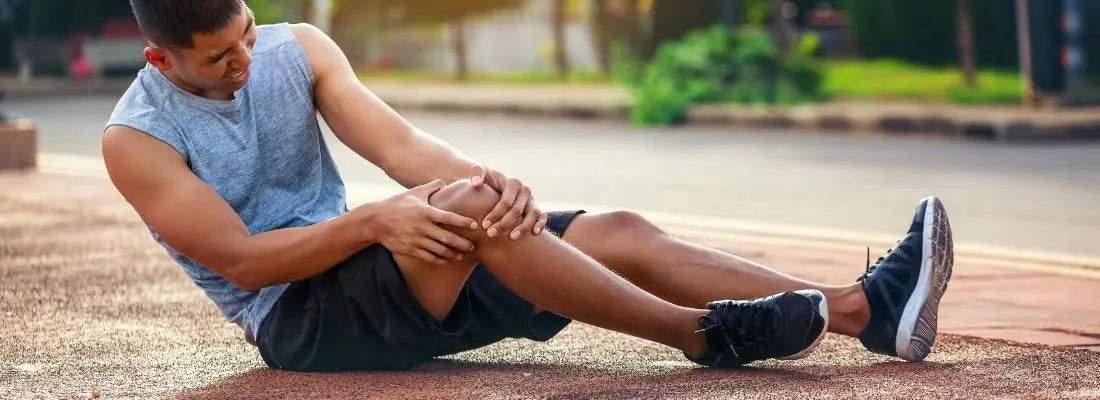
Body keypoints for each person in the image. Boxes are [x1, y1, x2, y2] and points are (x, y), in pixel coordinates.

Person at [102, 0, 954, 372]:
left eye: (247, 32)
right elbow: (248, 266)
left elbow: (399, 146)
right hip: (301, 321)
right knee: (462, 213)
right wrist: (377, 225)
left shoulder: (301, 48)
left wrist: (488, 187)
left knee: (613, 229)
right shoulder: (136, 139)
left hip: (397, 270)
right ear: (160, 59)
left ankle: (865, 312)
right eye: (220, 58)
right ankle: (703, 336)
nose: (247, 61)